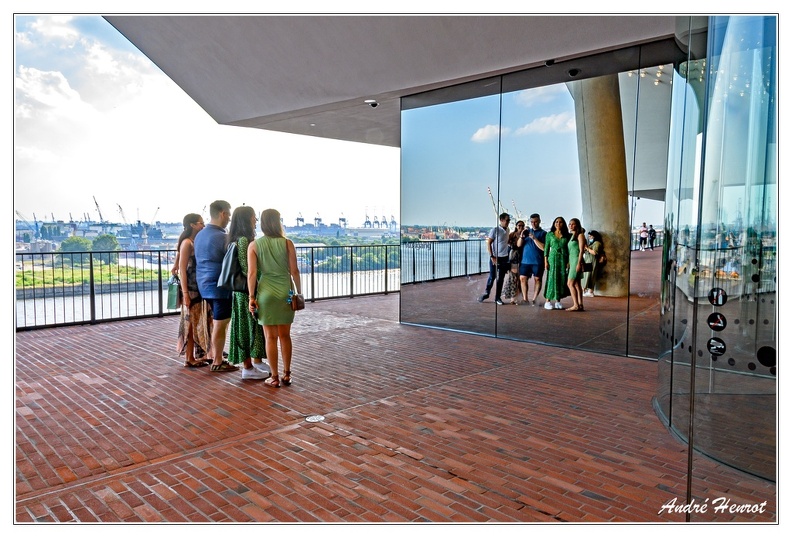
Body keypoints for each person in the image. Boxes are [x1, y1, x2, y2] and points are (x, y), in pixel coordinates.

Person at [247, 209, 301, 388]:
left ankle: (275, 377)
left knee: (270, 337)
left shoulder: (254, 245)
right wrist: (298, 293)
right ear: (278, 222)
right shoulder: (287, 243)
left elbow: (252, 273)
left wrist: (252, 297)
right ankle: (287, 374)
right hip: (285, 292)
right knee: (285, 336)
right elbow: (294, 271)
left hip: (265, 294)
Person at [194, 200, 238, 372]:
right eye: (228, 214)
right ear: (222, 213)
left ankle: (215, 355)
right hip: (220, 285)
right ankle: (218, 360)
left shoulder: (201, 235)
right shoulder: (222, 237)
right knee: (221, 322)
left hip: (204, 284)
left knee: (219, 321)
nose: (229, 218)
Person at [226, 206, 269, 380]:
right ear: (247, 219)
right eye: (253, 218)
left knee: (250, 326)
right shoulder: (244, 241)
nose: (255, 221)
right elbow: (248, 269)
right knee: (247, 327)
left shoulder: (235, 239)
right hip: (246, 291)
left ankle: (255, 361)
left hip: (241, 291)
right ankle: (248, 366)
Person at [175, 213, 212, 367]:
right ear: (192, 225)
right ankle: (189, 357)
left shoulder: (192, 242)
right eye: (200, 223)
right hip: (191, 289)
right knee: (190, 323)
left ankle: (196, 355)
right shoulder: (187, 243)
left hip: (197, 288)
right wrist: (185, 294)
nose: (203, 226)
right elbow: (182, 270)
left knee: (197, 322)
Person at [478, 213, 511, 305]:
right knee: (492, 276)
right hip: (495, 257)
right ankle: (487, 292)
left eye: (509, 220)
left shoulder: (507, 230)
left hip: (504, 257)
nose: (508, 222)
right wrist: (492, 256)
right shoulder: (495, 230)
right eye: (507, 220)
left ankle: (497, 297)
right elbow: (489, 243)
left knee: (501, 278)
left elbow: (506, 242)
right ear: (501, 220)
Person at [517, 213, 547, 306]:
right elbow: (518, 245)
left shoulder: (543, 233)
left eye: (536, 222)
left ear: (539, 221)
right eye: (532, 222)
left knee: (537, 279)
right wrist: (521, 237)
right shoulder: (526, 232)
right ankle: (525, 299)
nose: (534, 224)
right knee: (522, 278)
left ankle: (534, 299)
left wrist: (534, 238)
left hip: (538, 261)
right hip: (525, 261)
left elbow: (544, 248)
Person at [543, 216, 570, 310]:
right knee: (551, 279)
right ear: (554, 223)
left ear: (563, 224)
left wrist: (568, 261)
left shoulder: (567, 235)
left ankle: (558, 300)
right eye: (556, 222)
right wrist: (545, 261)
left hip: (563, 259)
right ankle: (548, 300)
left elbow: (569, 249)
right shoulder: (550, 234)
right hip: (553, 258)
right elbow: (546, 249)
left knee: (561, 279)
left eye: (560, 222)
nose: (558, 224)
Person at [566, 218, 587, 311]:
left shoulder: (580, 235)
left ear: (577, 225)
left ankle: (575, 304)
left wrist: (579, 263)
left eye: (573, 224)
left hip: (576, 260)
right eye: (569, 224)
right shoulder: (572, 236)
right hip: (572, 260)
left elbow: (581, 250)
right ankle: (580, 304)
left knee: (570, 283)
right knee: (577, 284)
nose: (571, 226)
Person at [582, 230, 604, 297]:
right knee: (587, 276)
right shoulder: (592, 243)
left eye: (591, 236)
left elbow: (594, 252)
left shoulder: (597, 243)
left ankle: (589, 291)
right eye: (589, 236)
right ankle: (586, 291)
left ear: (595, 236)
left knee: (590, 276)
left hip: (592, 261)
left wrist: (587, 249)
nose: (589, 238)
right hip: (588, 261)